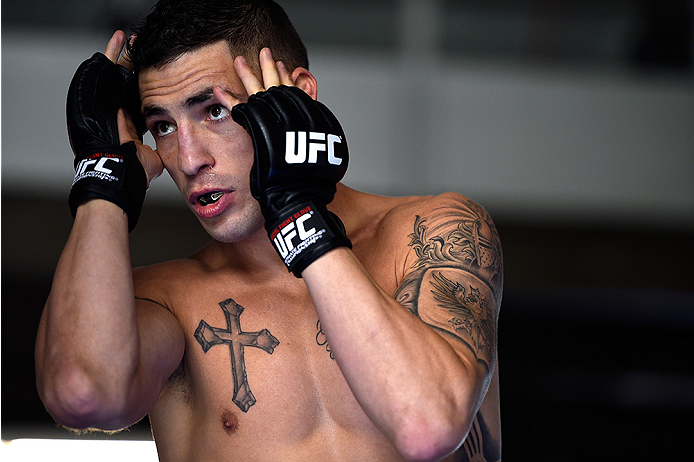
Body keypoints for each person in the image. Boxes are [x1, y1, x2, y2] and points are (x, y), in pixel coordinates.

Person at [35, 1, 503, 461]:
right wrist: (104, 177)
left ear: (297, 96)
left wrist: (294, 208)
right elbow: (83, 393)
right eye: (162, 126)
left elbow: (428, 424)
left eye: (215, 111)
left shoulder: (430, 232)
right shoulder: (166, 300)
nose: (189, 158)